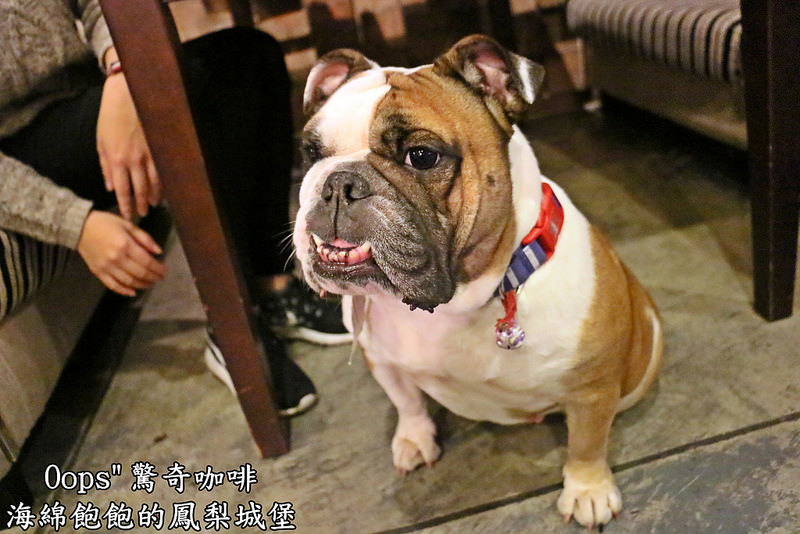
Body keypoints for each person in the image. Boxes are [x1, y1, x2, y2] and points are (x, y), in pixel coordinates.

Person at [0, 0, 348, 417]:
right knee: (198, 87)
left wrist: (121, 72)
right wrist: (75, 224)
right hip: (17, 143)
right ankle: (233, 323)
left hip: (80, 95)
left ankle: (271, 285)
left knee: (250, 53)